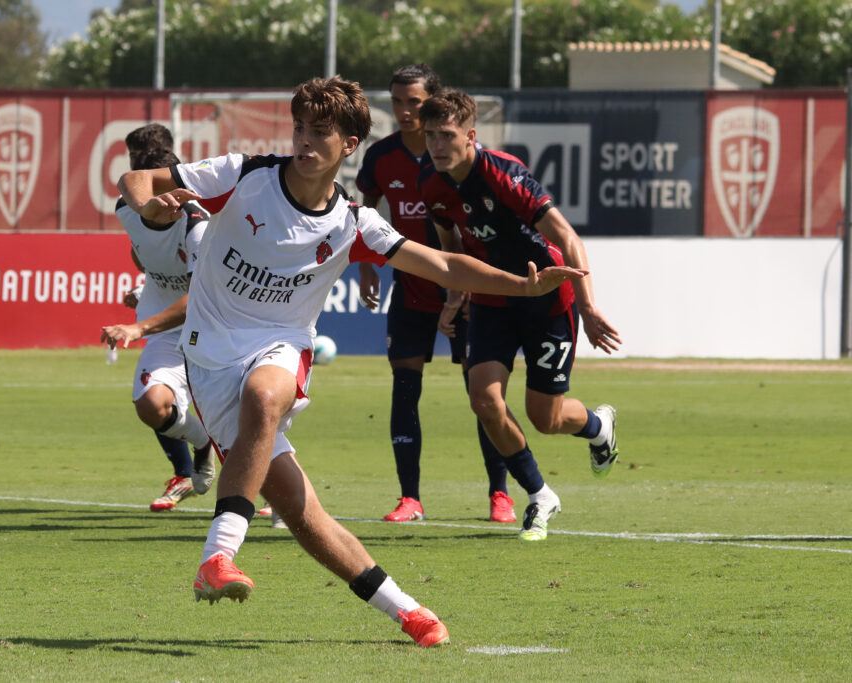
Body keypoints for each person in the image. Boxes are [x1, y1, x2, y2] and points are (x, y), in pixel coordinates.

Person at [117, 76, 586, 647]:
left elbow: (444, 265)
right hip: (209, 359)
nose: (304, 140)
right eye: (299, 128)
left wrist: (524, 286)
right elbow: (136, 179)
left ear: (349, 144)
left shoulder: (353, 222)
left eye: (321, 132)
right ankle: (409, 610)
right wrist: (150, 209)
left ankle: (217, 556)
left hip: (280, 346)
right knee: (303, 514)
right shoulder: (242, 175)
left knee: (264, 394)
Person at [417, 89, 622, 543]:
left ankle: (597, 426)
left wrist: (588, 306)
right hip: (492, 300)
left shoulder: (505, 175)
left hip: (548, 300)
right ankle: (540, 495)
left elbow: (567, 238)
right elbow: (451, 247)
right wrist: (455, 297)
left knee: (545, 418)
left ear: (470, 135)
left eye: (446, 135)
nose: (437, 145)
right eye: (430, 135)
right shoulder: (430, 181)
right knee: (484, 400)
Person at [355, 64, 515, 525]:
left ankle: (500, 493)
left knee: (484, 396)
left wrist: (466, 288)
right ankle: (410, 498)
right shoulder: (381, 156)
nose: (405, 111)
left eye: (415, 102)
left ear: (434, 103)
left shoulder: (455, 159)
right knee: (405, 390)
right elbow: (365, 209)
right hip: (411, 290)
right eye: (397, 101)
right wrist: (365, 264)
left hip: (467, 292)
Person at [100, 146, 215, 512]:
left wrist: (138, 328)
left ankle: (276, 497)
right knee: (151, 406)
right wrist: (144, 289)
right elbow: (144, 255)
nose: (169, 199)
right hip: (168, 329)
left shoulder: (198, 226)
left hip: (215, 329)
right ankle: (201, 442)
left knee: (248, 413)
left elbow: (197, 299)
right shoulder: (127, 211)